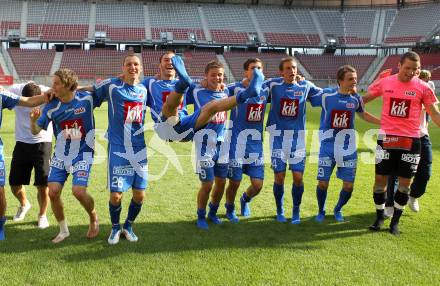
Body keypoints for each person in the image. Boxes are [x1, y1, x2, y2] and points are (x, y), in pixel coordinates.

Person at [158, 56, 264, 229]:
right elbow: (177, 92)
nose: (218, 78)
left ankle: (213, 212)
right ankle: (201, 215)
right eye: (213, 75)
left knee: (221, 182)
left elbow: (243, 82)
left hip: (222, 145)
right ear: (206, 76)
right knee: (207, 184)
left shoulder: (227, 91)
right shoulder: (197, 90)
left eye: (220, 75)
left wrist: (249, 80)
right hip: (202, 142)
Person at [363, 51, 440, 235]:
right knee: (380, 181)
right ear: (399, 65)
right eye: (407, 68)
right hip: (387, 139)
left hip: (411, 141)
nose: (410, 72)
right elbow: (363, 99)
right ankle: (379, 216)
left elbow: (435, 113)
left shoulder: (423, 87)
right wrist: (344, 99)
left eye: (414, 69)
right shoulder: (386, 82)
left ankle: (395, 222)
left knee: (404, 185)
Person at [30, 69, 99, 243]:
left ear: (68, 85)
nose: (52, 87)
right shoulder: (51, 106)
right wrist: (33, 120)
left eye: (56, 83)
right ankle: (63, 230)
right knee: (52, 192)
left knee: (78, 192)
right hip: (61, 154)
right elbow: (35, 130)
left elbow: (104, 89)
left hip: (83, 152)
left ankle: (93, 216)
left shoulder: (87, 99)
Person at [91, 54, 151, 245]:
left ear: (140, 68)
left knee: (139, 194)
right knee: (116, 195)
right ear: (123, 68)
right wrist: (67, 90)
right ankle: (115, 227)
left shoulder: (144, 89)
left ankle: (128, 226)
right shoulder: (112, 86)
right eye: (129, 64)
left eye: (136, 64)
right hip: (117, 148)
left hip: (139, 149)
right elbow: (91, 91)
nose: (132, 67)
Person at [308, 65, 380, 222]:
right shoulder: (327, 95)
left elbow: (363, 115)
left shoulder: (356, 99)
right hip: (328, 146)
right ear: (340, 81)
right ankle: (321, 210)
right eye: (350, 79)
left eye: (355, 78)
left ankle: (338, 209)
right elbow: (309, 93)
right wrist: (300, 80)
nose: (354, 81)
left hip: (348, 148)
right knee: (322, 183)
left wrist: (382, 122)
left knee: (348, 186)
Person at [209, 58, 268, 222]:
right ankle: (230, 208)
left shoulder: (266, 89)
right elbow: (215, 88)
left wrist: (299, 79)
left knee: (258, 185)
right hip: (236, 144)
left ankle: (245, 199)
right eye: (253, 68)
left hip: (256, 145)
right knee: (234, 181)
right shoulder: (234, 89)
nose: (256, 71)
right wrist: (212, 84)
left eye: (259, 68)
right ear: (246, 72)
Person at [265, 57, 322, 224]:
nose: (292, 71)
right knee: (280, 176)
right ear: (281, 72)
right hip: (277, 138)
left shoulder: (305, 86)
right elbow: (254, 85)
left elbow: (324, 94)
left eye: (294, 68)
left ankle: (296, 210)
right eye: (288, 68)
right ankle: (280, 209)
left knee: (298, 177)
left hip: (297, 139)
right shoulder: (274, 85)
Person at [385, 69, 437, 216]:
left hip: (421, 136)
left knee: (425, 172)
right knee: (395, 173)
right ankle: (390, 205)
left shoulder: (427, 89)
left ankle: (413, 196)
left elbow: (432, 112)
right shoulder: (396, 87)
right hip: (399, 135)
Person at [0, 87, 49, 241]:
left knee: (43, 183)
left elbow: (69, 87)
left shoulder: (48, 91)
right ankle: (24, 204)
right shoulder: (13, 90)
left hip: (42, 142)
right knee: (14, 183)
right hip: (21, 143)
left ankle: (42, 215)